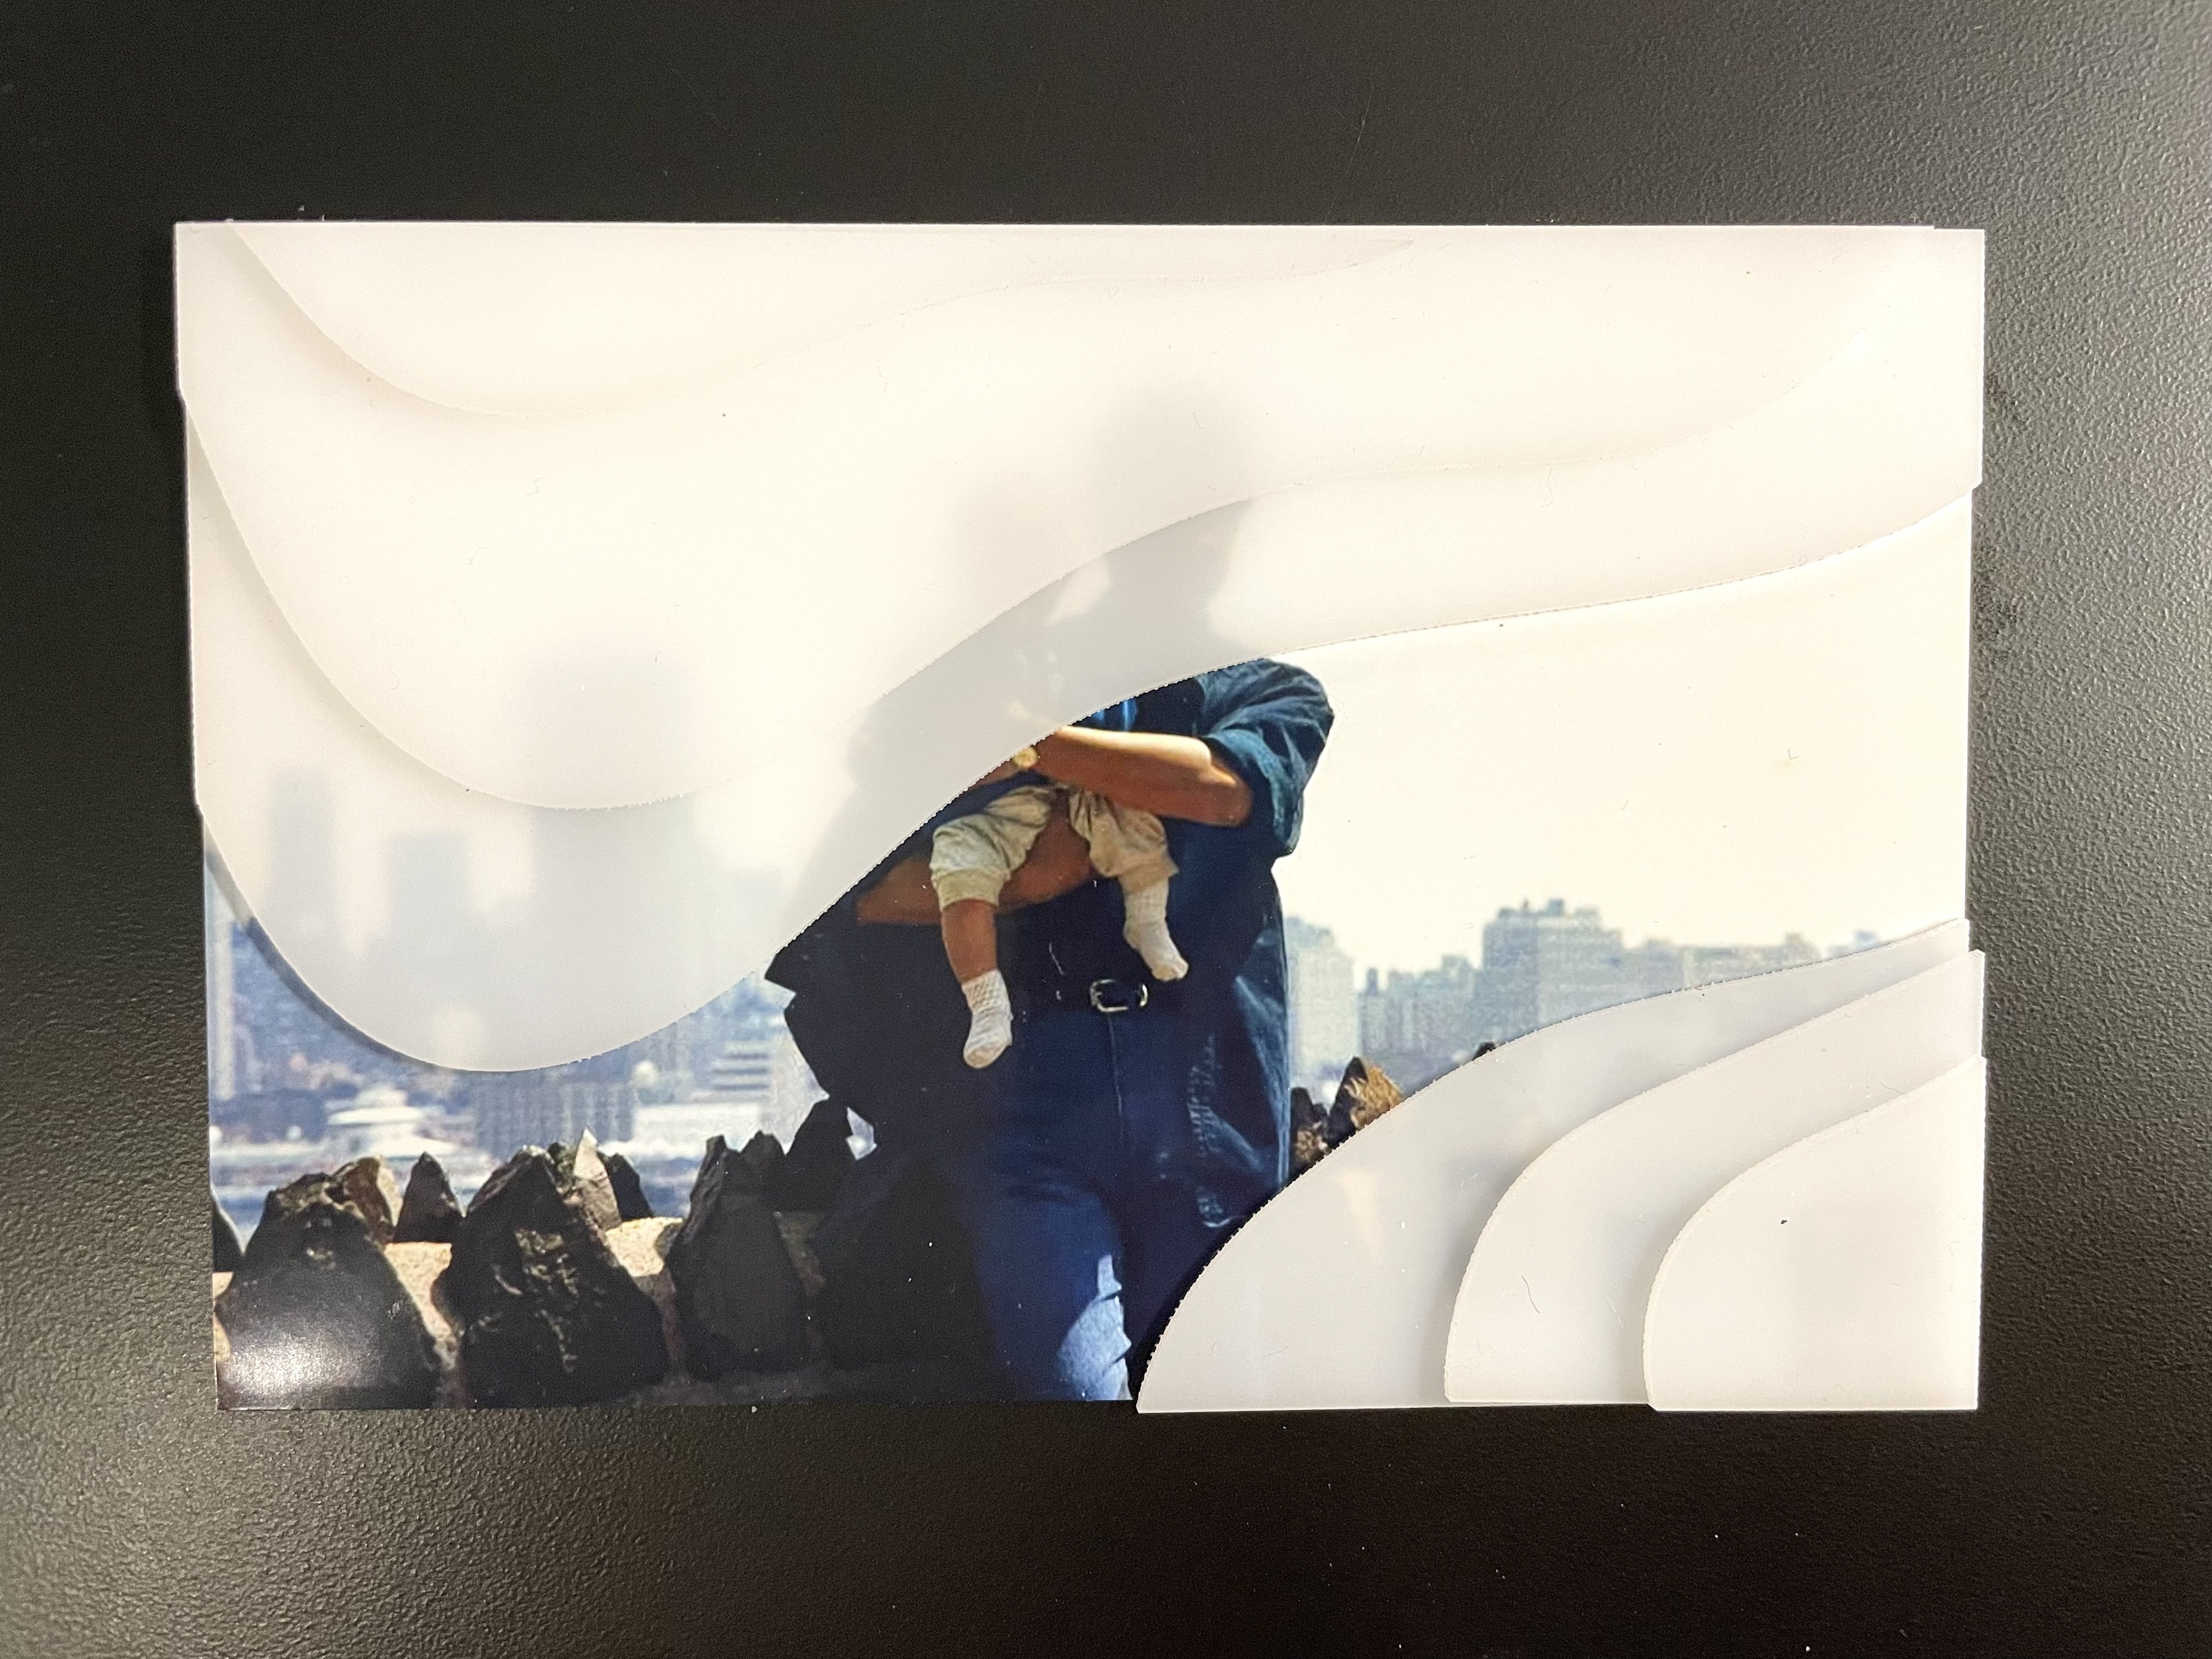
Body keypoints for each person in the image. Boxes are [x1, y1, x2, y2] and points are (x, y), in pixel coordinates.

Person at [776, 659, 1331, 1401]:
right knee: (1073, 1391)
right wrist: (997, 883)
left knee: (1208, 1395)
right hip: (1026, 1107)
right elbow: (832, 904)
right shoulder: (938, 707)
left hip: (1204, 1108)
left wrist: (1025, 745)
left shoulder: (1254, 690)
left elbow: (1227, 788)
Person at [928, 747, 1187, 1071]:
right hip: (990, 804)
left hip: (1083, 782)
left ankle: (1147, 920)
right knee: (960, 875)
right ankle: (987, 1004)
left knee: (1136, 823)